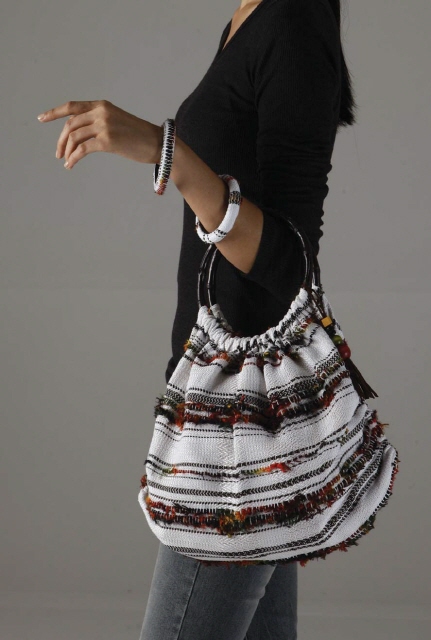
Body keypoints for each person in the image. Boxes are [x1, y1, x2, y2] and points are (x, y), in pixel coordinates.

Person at [37, 1, 357, 638]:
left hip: (241, 427)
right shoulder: (250, 15)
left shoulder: (292, 22)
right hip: (226, 402)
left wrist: (170, 155)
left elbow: (290, 264)